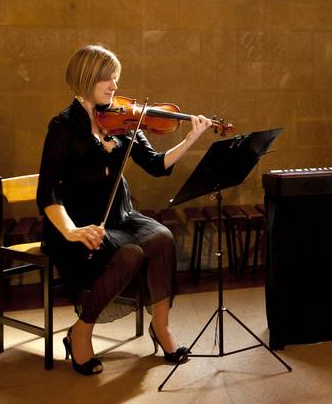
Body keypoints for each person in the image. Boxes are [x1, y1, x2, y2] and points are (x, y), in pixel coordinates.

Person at [37, 44, 214, 375]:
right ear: (87, 78)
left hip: (121, 216)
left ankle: (161, 329)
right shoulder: (62, 127)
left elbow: (157, 165)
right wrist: (72, 230)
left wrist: (191, 139)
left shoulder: (123, 120)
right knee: (131, 254)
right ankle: (81, 332)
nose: (115, 87)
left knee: (161, 236)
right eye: (107, 78)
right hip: (76, 225)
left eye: (115, 79)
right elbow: (46, 191)